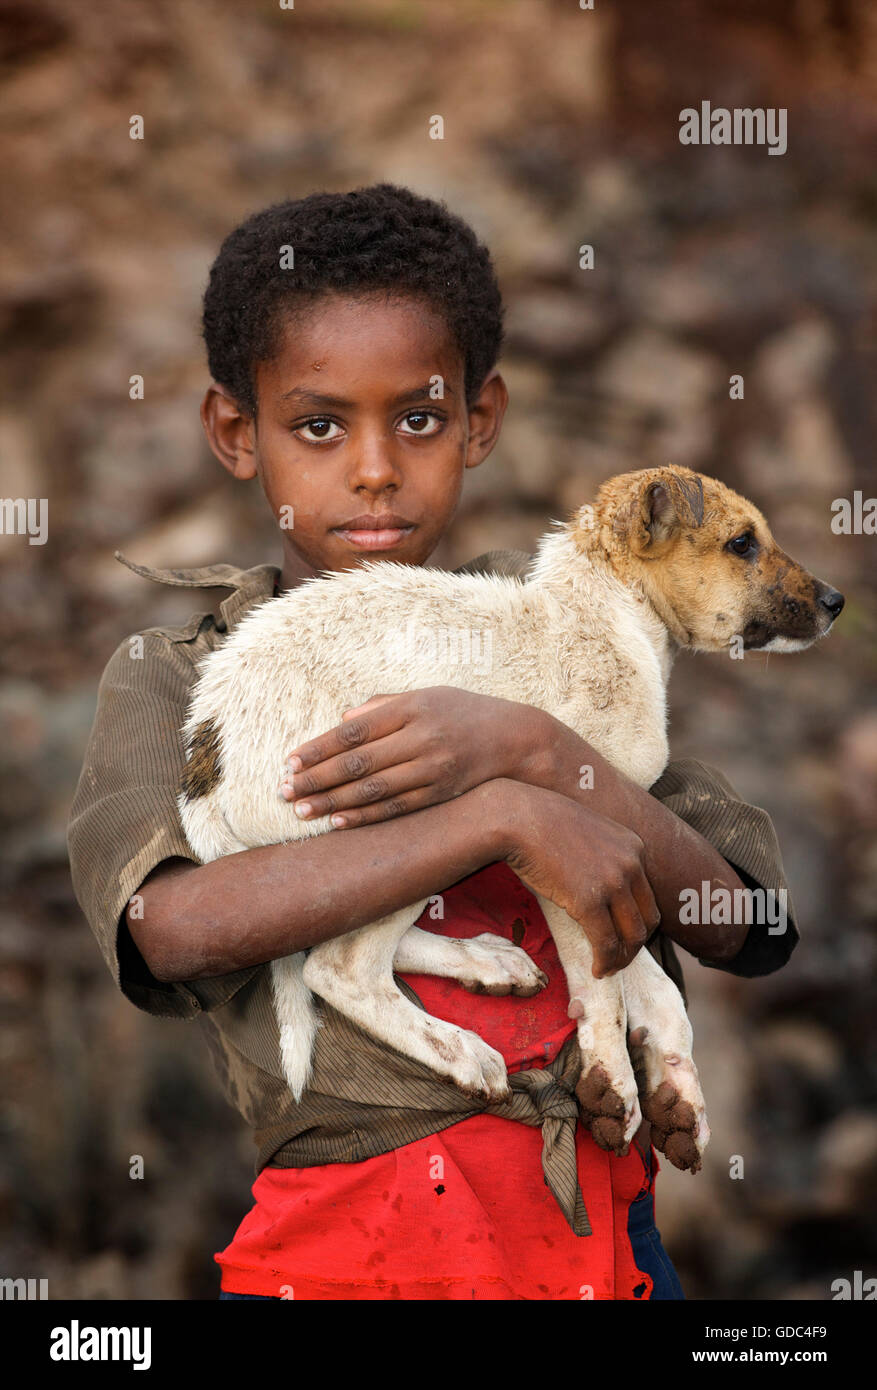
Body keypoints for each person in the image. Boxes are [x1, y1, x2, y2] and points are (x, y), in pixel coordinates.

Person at [67, 184, 797, 1300]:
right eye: (319, 425)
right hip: (361, 1242)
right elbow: (170, 928)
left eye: (418, 418)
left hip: (602, 1237)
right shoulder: (178, 676)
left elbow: (744, 924)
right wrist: (502, 813)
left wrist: (543, 752)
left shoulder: (555, 626)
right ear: (234, 432)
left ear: (480, 420)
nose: (373, 467)